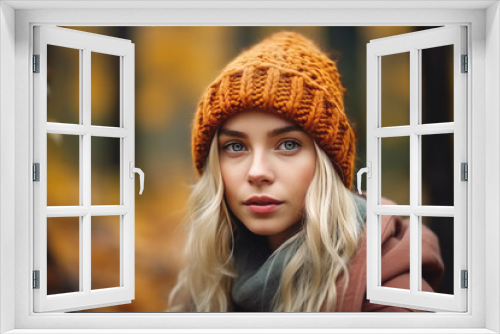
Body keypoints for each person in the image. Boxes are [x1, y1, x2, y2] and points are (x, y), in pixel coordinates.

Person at [168, 31, 444, 312]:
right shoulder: (210, 277)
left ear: (327, 163)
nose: (258, 172)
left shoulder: (393, 301)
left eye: (288, 144)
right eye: (236, 146)